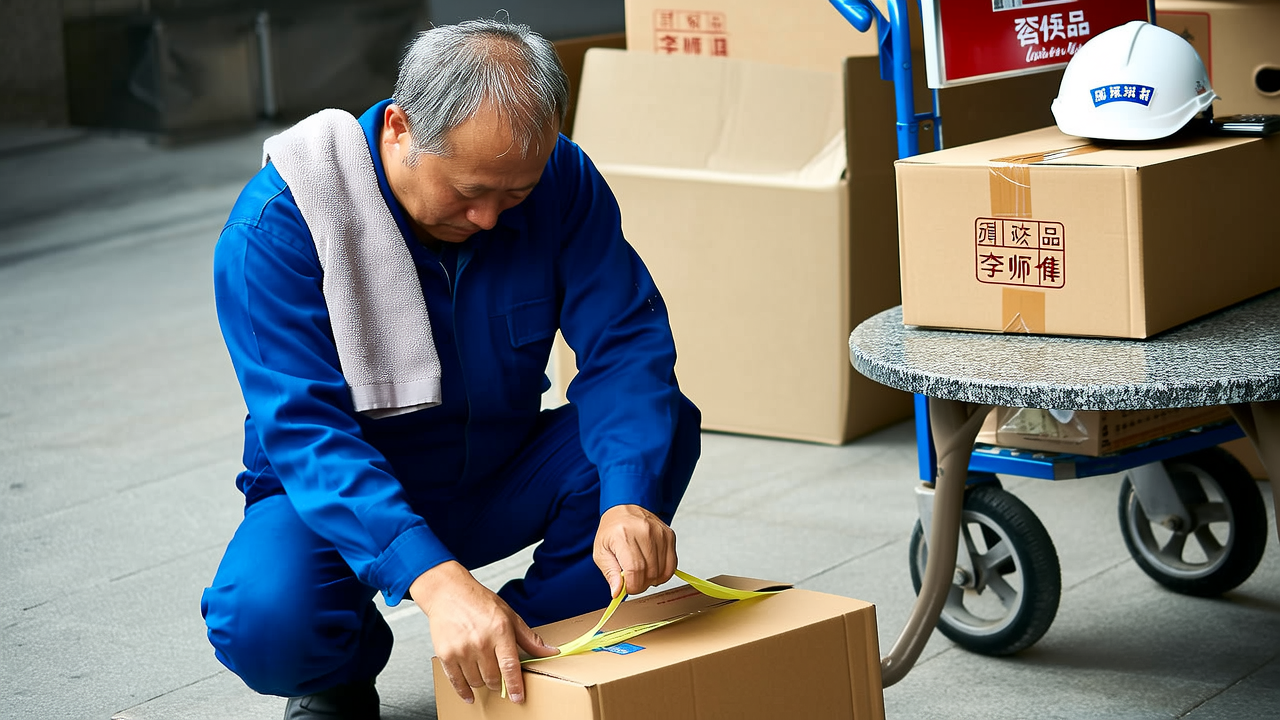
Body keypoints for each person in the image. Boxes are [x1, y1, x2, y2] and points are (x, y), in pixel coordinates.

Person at [200, 17, 700, 720]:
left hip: (500, 467)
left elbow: (625, 341)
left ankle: (525, 650)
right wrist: (435, 582)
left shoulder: (560, 178)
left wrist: (626, 500)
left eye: (514, 196)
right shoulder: (280, 227)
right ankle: (340, 673)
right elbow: (308, 432)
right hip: (345, 493)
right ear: (401, 128)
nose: (491, 218)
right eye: (470, 192)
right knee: (264, 617)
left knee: (659, 430)